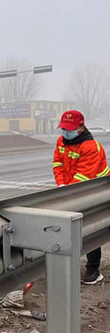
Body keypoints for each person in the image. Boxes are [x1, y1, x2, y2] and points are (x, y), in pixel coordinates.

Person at [52, 110, 109, 285]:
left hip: (96, 190)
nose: (64, 132)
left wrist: (68, 194)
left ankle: (93, 269)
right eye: (63, 128)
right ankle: (66, 264)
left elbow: (84, 176)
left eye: (69, 129)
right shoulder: (62, 141)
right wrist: (61, 185)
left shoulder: (91, 147)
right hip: (72, 189)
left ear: (81, 128)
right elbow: (57, 164)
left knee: (91, 228)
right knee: (68, 228)